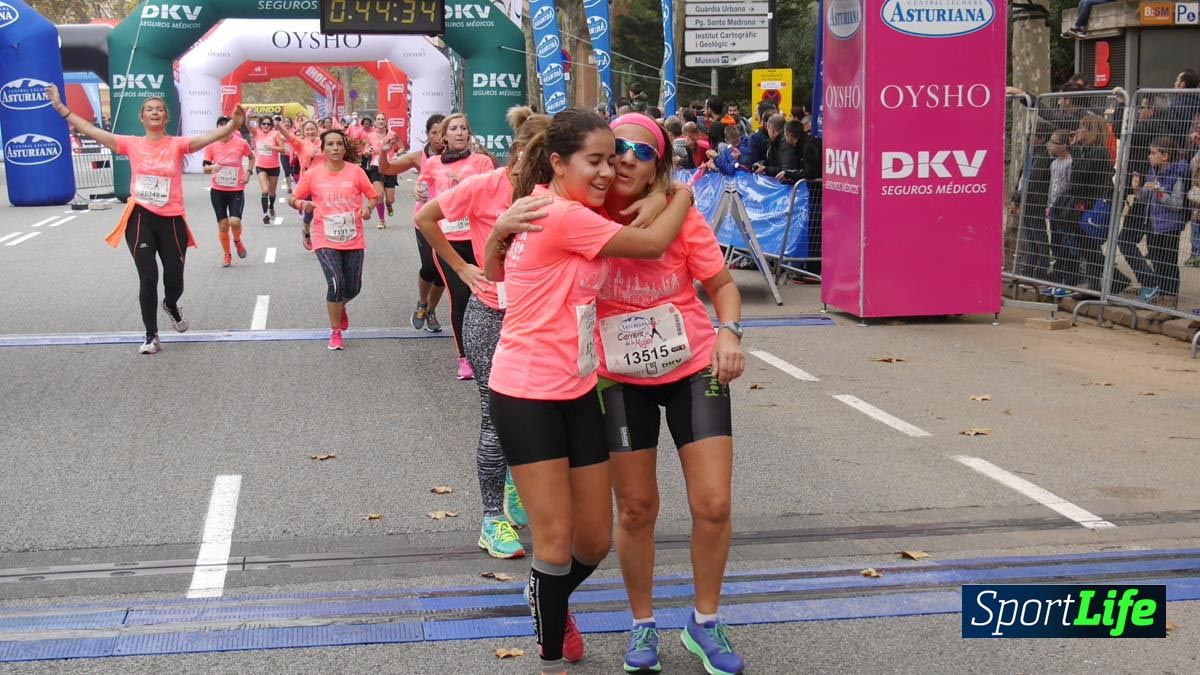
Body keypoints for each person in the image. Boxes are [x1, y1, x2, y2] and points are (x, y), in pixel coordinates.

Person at [482, 108, 694, 675]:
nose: (607, 172)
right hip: (526, 393)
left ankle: (548, 594)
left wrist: (501, 231)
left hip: (577, 389)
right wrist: (680, 197)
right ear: (558, 162)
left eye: (612, 161)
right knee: (553, 542)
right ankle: (550, 653)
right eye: (594, 161)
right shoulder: (561, 216)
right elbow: (650, 246)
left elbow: (496, 274)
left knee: (595, 540)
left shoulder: (560, 210)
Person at [592, 112, 747, 675]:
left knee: (713, 503)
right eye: (618, 148)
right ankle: (642, 624)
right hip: (617, 376)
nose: (628, 157)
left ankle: (705, 623)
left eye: (641, 149)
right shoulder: (583, 210)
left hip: (691, 367)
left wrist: (729, 333)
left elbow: (722, 287)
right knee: (636, 509)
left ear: (658, 162)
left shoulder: (683, 216)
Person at [413, 107, 551, 559]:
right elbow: (425, 218)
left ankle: (516, 480)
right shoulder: (485, 185)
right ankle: (492, 519)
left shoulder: (557, 192)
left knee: (539, 414)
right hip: (492, 313)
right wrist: (461, 267)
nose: (552, 163)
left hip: (540, 319)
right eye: (545, 154)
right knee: (497, 418)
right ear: (519, 152)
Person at [45, 85, 246, 354]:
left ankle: (171, 304)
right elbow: (91, 130)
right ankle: (151, 335)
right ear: (142, 118)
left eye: (160, 109)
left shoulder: (177, 144)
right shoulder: (131, 143)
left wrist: (234, 123)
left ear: (166, 118)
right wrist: (60, 107)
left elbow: (211, 136)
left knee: (174, 280)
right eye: (149, 109)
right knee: (148, 276)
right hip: (140, 216)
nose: (155, 112)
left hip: (172, 219)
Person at [416, 113, 497, 380]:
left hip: (478, 239)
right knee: (460, 295)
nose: (460, 133)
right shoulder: (433, 163)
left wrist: (467, 188)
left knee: (488, 296)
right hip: (449, 240)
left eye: (464, 128)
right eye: (454, 129)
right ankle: (464, 357)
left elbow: (492, 193)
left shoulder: (482, 162)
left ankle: (493, 348)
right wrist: (419, 192)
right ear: (444, 136)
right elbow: (424, 191)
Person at [287, 129, 379, 350]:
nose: (335, 148)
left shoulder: (356, 172)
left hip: (352, 237)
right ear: (323, 148)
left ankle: (340, 307)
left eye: (339, 144)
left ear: (344, 147)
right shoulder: (313, 174)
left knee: (353, 288)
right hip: (324, 237)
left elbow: (373, 196)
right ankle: (335, 331)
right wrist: (302, 204)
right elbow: (293, 197)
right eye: (330, 144)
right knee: (335, 283)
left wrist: (368, 209)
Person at [397, 114, 448, 334]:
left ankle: (431, 310)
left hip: (453, 223)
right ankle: (421, 302)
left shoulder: (462, 157)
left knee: (443, 272)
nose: (438, 137)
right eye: (434, 132)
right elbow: (388, 167)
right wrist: (381, 154)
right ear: (427, 134)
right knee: (429, 266)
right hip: (426, 220)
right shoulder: (422, 158)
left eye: (442, 132)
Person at [1128, 136, 1189, 304]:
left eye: (1153, 153)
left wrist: (1159, 192)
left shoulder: (1176, 175)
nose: (1149, 156)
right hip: (1153, 223)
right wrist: (1138, 189)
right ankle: (1161, 294)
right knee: (1156, 259)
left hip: (1169, 226)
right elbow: (1147, 196)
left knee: (1168, 261)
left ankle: (1170, 297)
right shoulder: (1153, 172)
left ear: (1165, 156)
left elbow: (1177, 204)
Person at [202, 115, 255, 267]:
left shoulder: (241, 143)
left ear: (232, 128)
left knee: (235, 221)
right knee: (223, 224)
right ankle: (227, 254)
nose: (225, 129)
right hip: (218, 190)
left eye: (228, 126)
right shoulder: (211, 146)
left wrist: (248, 173)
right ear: (218, 129)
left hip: (236, 189)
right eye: (222, 126)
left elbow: (252, 157)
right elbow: (205, 169)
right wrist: (213, 167)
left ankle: (237, 241)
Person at [278, 119, 324, 250]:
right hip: (307, 183)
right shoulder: (301, 144)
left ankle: (321, 241)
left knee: (322, 213)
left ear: (317, 130)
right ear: (303, 132)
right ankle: (306, 232)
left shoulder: (324, 143)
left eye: (312, 129)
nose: (310, 131)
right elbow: (290, 137)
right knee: (309, 213)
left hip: (324, 183)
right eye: (307, 129)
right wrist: (280, 127)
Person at [364, 112, 402, 229]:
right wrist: (367, 152)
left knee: (390, 199)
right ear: (375, 122)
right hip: (375, 167)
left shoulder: (392, 135)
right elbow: (365, 151)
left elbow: (401, 147)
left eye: (383, 119)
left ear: (386, 122)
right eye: (378, 119)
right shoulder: (370, 136)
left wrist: (396, 154)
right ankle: (381, 219)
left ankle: (389, 205)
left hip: (390, 166)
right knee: (379, 195)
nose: (381, 121)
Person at [251, 115, 285, 225]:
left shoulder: (275, 134)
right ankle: (265, 215)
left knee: (272, 193)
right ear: (260, 125)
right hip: (261, 166)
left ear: (271, 125)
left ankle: (271, 206)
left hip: (274, 167)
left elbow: (283, 149)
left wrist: (272, 147)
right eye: (264, 124)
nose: (266, 126)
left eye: (268, 124)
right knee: (265, 190)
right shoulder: (256, 133)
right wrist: (247, 116)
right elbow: (247, 125)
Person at [278, 117, 298, 194]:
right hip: (284, 154)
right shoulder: (280, 132)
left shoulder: (294, 131)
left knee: (293, 171)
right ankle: (289, 188)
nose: (287, 123)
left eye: (288, 122)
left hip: (293, 154)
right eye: (285, 122)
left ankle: (297, 186)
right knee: (287, 171)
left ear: (291, 123)